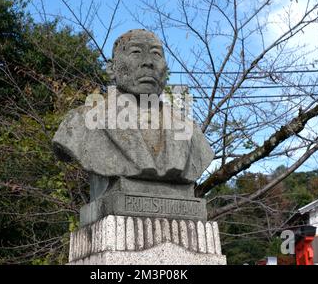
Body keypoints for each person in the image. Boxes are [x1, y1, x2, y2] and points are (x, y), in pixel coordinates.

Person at [52, 29, 213, 198]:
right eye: (136, 52)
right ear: (111, 68)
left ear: (166, 68)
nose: (148, 62)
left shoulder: (189, 129)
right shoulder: (81, 121)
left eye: (156, 54)